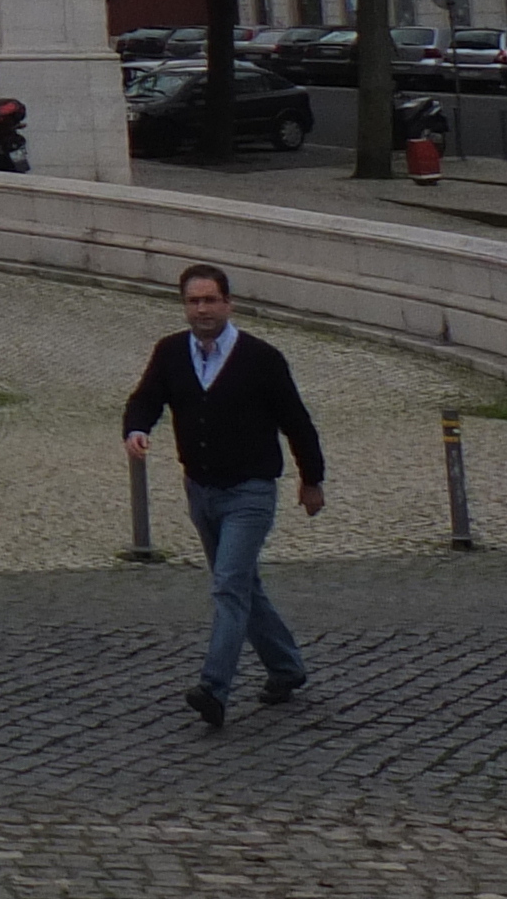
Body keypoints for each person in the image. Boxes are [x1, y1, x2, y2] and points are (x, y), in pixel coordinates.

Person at [122, 261, 325, 726]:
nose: (202, 309)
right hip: (201, 490)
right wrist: (135, 429)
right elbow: (146, 399)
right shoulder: (171, 353)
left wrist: (311, 479)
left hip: (250, 491)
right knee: (243, 585)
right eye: (194, 301)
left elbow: (296, 421)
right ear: (184, 306)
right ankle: (286, 667)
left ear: (228, 304)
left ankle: (214, 688)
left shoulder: (262, 358)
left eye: (211, 300)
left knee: (229, 586)